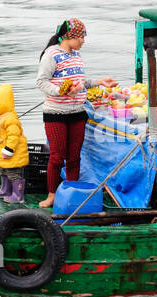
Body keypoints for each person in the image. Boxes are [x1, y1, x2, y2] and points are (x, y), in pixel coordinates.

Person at [36, 18, 116, 209]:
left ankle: (71, 193)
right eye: (81, 36)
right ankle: (52, 195)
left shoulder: (76, 55)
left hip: (77, 113)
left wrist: (99, 82)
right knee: (57, 157)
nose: (83, 40)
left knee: (74, 158)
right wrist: (60, 91)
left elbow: (81, 82)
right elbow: (41, 82)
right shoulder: (52, 54)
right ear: (68, 36)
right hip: (56, 113)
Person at [0, 83, 28, 204]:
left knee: (13, 174)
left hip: (13, 153)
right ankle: (5, 189)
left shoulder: (10, 118)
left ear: (0, 103)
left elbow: (14, 136)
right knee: (2, 171)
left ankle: (18, 195)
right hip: (2, 152)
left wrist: (9, 149)